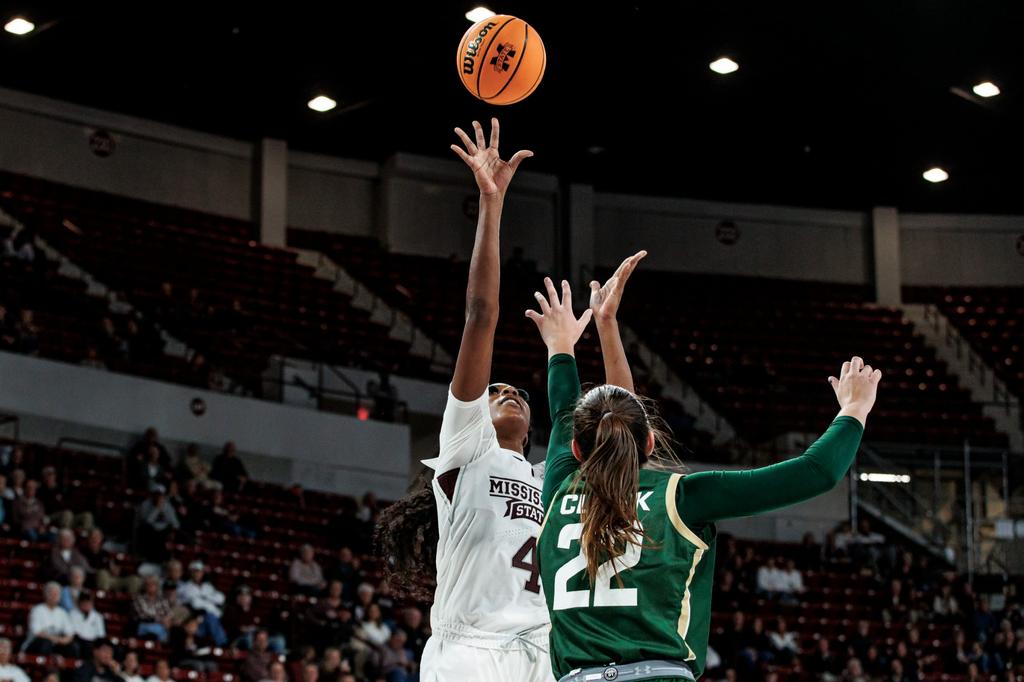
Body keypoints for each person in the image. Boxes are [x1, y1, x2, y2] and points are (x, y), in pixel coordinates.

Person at [530, 252, 882, 681]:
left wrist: (561, 347)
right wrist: (855, 409)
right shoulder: (681, 496)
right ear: (652, 441)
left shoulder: (559, 490)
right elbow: (818, 471)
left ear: (576, 451)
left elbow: (571, 410)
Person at [374, 118, 548, 682]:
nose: (509, 393)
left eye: (520, 394)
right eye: (496, 390)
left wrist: (601, 329)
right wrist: (490, 205)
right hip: (470, 649)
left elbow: (622, 422)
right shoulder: (468, 447)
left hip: (541, 650)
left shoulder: (551, 479)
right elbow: (482, 316)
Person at [25, 582, 77, 656]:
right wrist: (54, 638)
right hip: (37, 643)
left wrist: (60, 640)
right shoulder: (37, 610)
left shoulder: (63, 613)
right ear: (45, 595)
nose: (54, 596)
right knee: (46, 643)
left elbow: (70, 634)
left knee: (72, 647)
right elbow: (36, 632)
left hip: (57, 644)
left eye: (57, 594)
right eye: (52, 594)